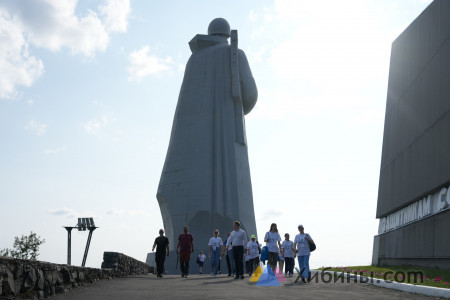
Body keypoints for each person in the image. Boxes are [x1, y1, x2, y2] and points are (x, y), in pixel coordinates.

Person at [156, 18, 259, 262]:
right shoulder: (235, 54)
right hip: (229, 136)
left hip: (193, 146)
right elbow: (250, 95)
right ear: (226, 34)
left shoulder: (195, 60)